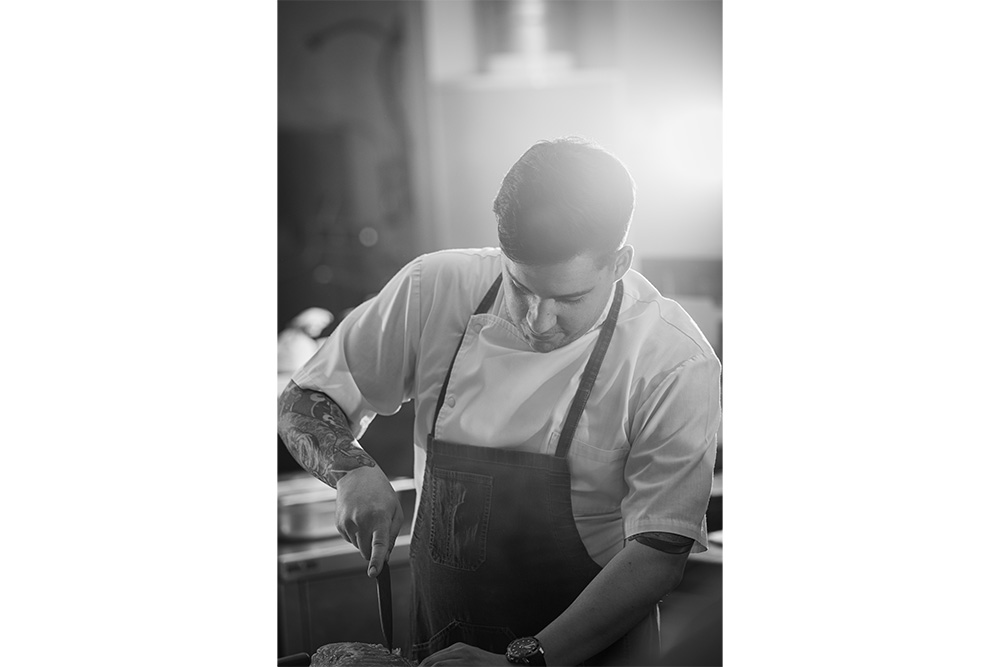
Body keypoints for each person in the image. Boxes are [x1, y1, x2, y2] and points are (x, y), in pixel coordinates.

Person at [278, 138, 721, 666]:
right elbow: (304, 398)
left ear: (619, 263)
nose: (538, 320)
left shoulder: (673, 359)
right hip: (438, 645)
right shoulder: (435, 286)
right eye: (521, 288)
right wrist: (351, 471)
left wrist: (524, 661)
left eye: (569, 298)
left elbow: (659, 553)